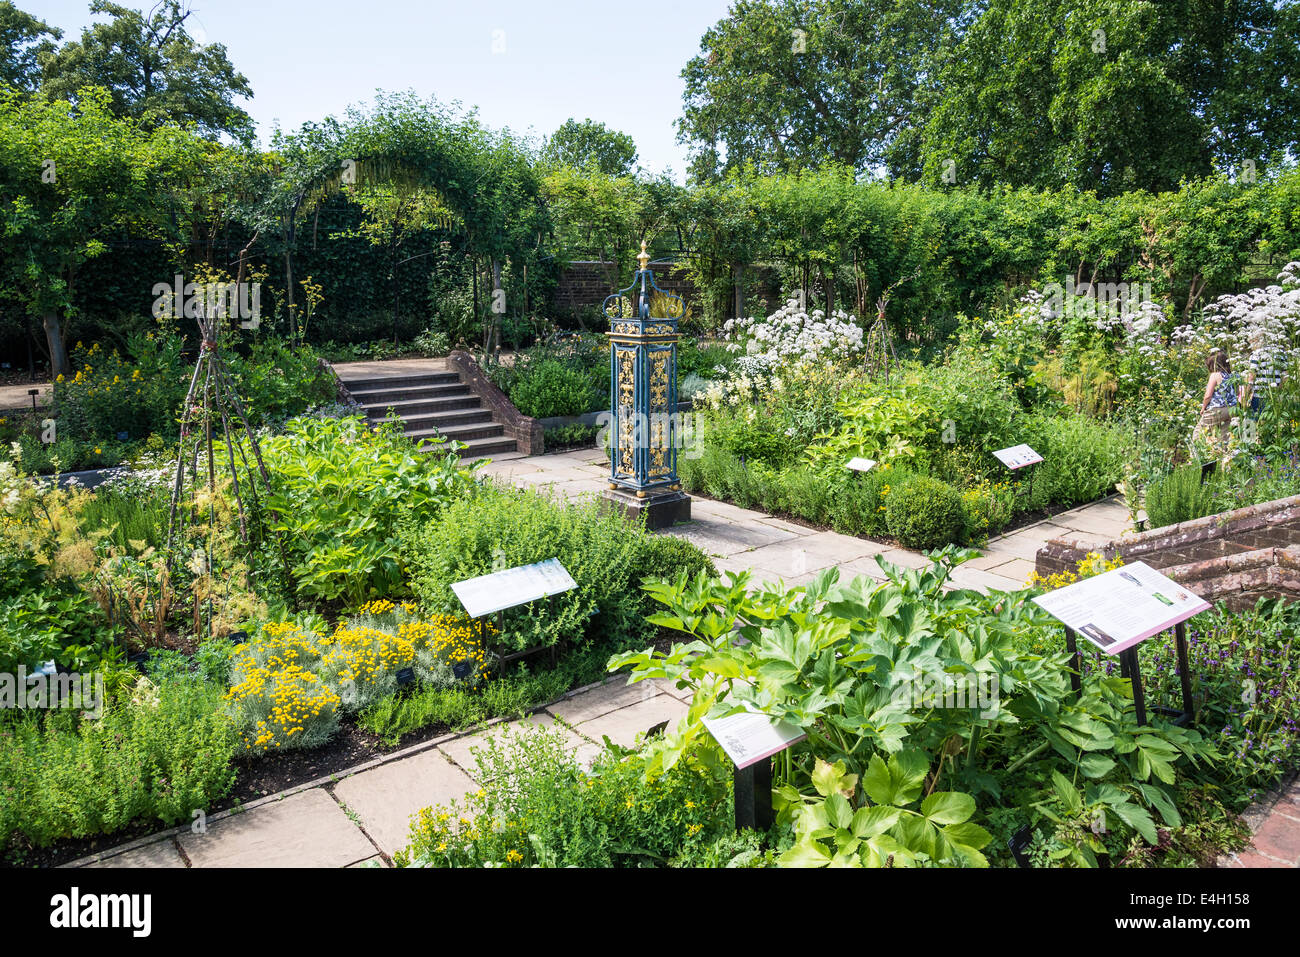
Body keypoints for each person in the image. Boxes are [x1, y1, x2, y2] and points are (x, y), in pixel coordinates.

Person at [1194, 350, 1237, 449]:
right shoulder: (1234, 375)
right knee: (1225, 437)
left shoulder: (1215, 375)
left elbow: (1208, 396)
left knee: (1199, 432)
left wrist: (1203, 407)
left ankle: (1195, 457)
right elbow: (1237, 392)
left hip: (1216, 410)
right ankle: (1224, 459)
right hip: (1232, 409)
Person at [1241, 330, 1288, 415]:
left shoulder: (1256, 354)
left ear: (1256, 341)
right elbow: (1285, 376)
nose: (1251, 346)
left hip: (1260, 398)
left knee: (1257, 424)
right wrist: (1279, 391)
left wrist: (1244, 397)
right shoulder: (1281, 353)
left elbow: (1251, 377)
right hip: (1276, 397)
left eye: (1251, 343)